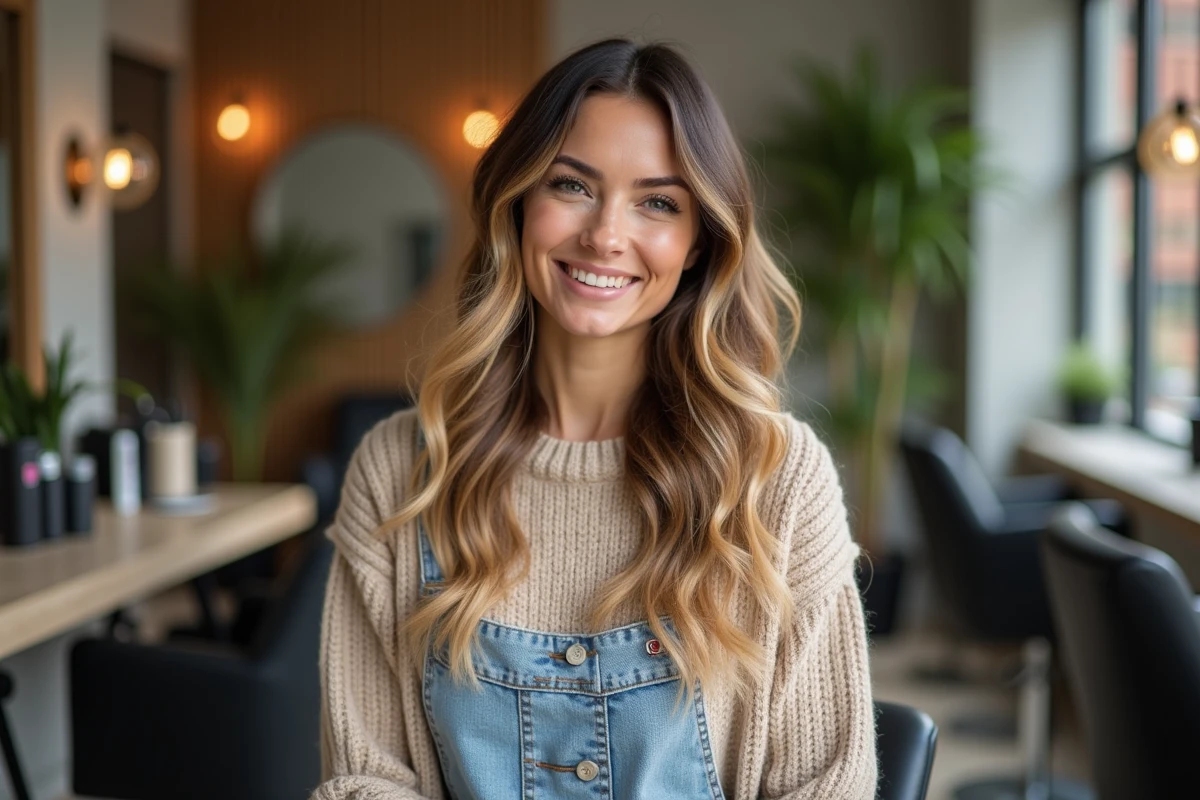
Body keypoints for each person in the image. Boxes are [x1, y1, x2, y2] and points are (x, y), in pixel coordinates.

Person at [312, 38, 877, 800]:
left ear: (697, 242)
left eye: (657, 202)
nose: (606, 235)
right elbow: (364, 778)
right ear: (516, 204)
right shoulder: (400, 471)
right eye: (572, 186)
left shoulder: (776, 479)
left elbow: (826, 785)